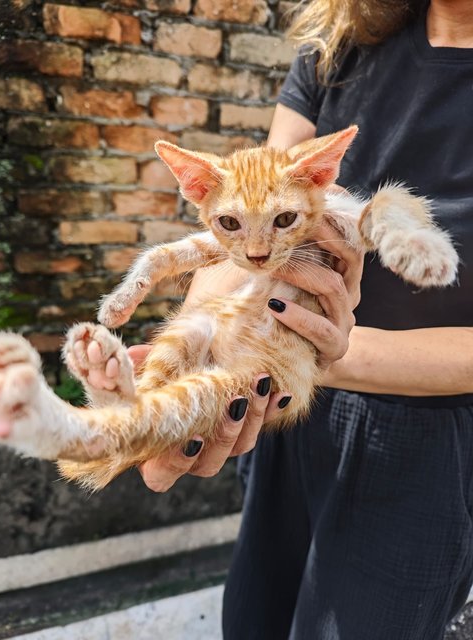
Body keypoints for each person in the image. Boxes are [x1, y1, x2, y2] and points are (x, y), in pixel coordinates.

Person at [130, 0, 473, 637]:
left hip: (425, 436)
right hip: (278, 416)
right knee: (253, 620)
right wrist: (203, 341)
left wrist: (313, 357)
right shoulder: (339, 41)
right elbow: (252, 208)